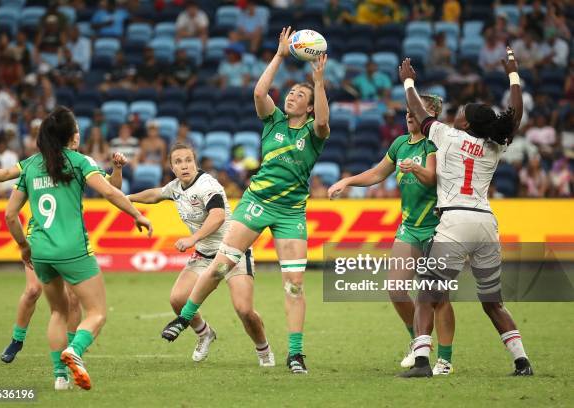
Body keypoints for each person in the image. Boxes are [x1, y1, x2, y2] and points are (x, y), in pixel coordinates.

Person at [161, 27, 330, 375]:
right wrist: (280, 56)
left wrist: (319, 81)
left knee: (294, 284)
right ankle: (186, 318)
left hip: (291, 212)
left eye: (300, 95)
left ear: (309, 106)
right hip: (255, 203)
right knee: (221, 263)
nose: (291, 97)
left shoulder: (314, 134)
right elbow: (259, 90)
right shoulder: (273, 122)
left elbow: (325, 121)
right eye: (291, 92)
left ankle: (295, 353)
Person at [397, 48, 533, 377]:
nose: (455, 114)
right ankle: (522, 361)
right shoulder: (494, 146)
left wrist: (408, 83)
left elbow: (418, 111)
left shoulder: (448, 136)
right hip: (486, 225)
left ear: (466, 123)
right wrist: (514, 76)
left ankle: (421, 362)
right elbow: (514, 116)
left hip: (455, 221)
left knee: (427, 294)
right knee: (492, 302)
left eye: (461, 112)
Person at [3, 107, 152, 390]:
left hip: (41, 252)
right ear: (72, 136)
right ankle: (75, 351)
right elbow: (109, 191)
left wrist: (24, 246)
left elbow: (10, 215)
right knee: (96, 313)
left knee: (57, 312)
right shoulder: (79, 161)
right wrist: (137, 214)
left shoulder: (32, 165)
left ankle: (60, 377)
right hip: (73, 249)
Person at [328, 94, 456, 375]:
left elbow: (433, 178)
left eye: (416, 110)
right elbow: (377, 174)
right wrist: (347, 181)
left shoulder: (436, 143)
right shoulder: (400, 144)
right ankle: (418, 343)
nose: (410, 114)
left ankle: (444, 360)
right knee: (396, 289)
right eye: (407, 110)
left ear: (430, 114)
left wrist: (417, 168)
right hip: (409, 228)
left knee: (438, 296)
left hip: (437, 228)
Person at [0, 144, 128, 370]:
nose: (76, 135)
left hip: (67, 240)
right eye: (73, 131)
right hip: (40, 240)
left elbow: (111, 187)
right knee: (32, 291)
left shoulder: (80, 162)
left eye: (77, 131)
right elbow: (10, 173)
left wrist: (117, 169)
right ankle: (17, 340)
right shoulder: (35, 164)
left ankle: (69, 352)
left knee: (73, 299)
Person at [127, 143, 272, 365]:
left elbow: (218, 216)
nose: (184, 165)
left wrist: (192, 239)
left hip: (232, 252)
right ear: (172, 167)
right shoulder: (175, 187)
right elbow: (154, 194)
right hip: (204, 255)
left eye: (188, 160)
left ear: (194, 162)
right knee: (177, 299)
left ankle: (263, 350)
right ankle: (205, 334)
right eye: (178, 162)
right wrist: (127, 198)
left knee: (244, 310)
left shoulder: (207, 185)